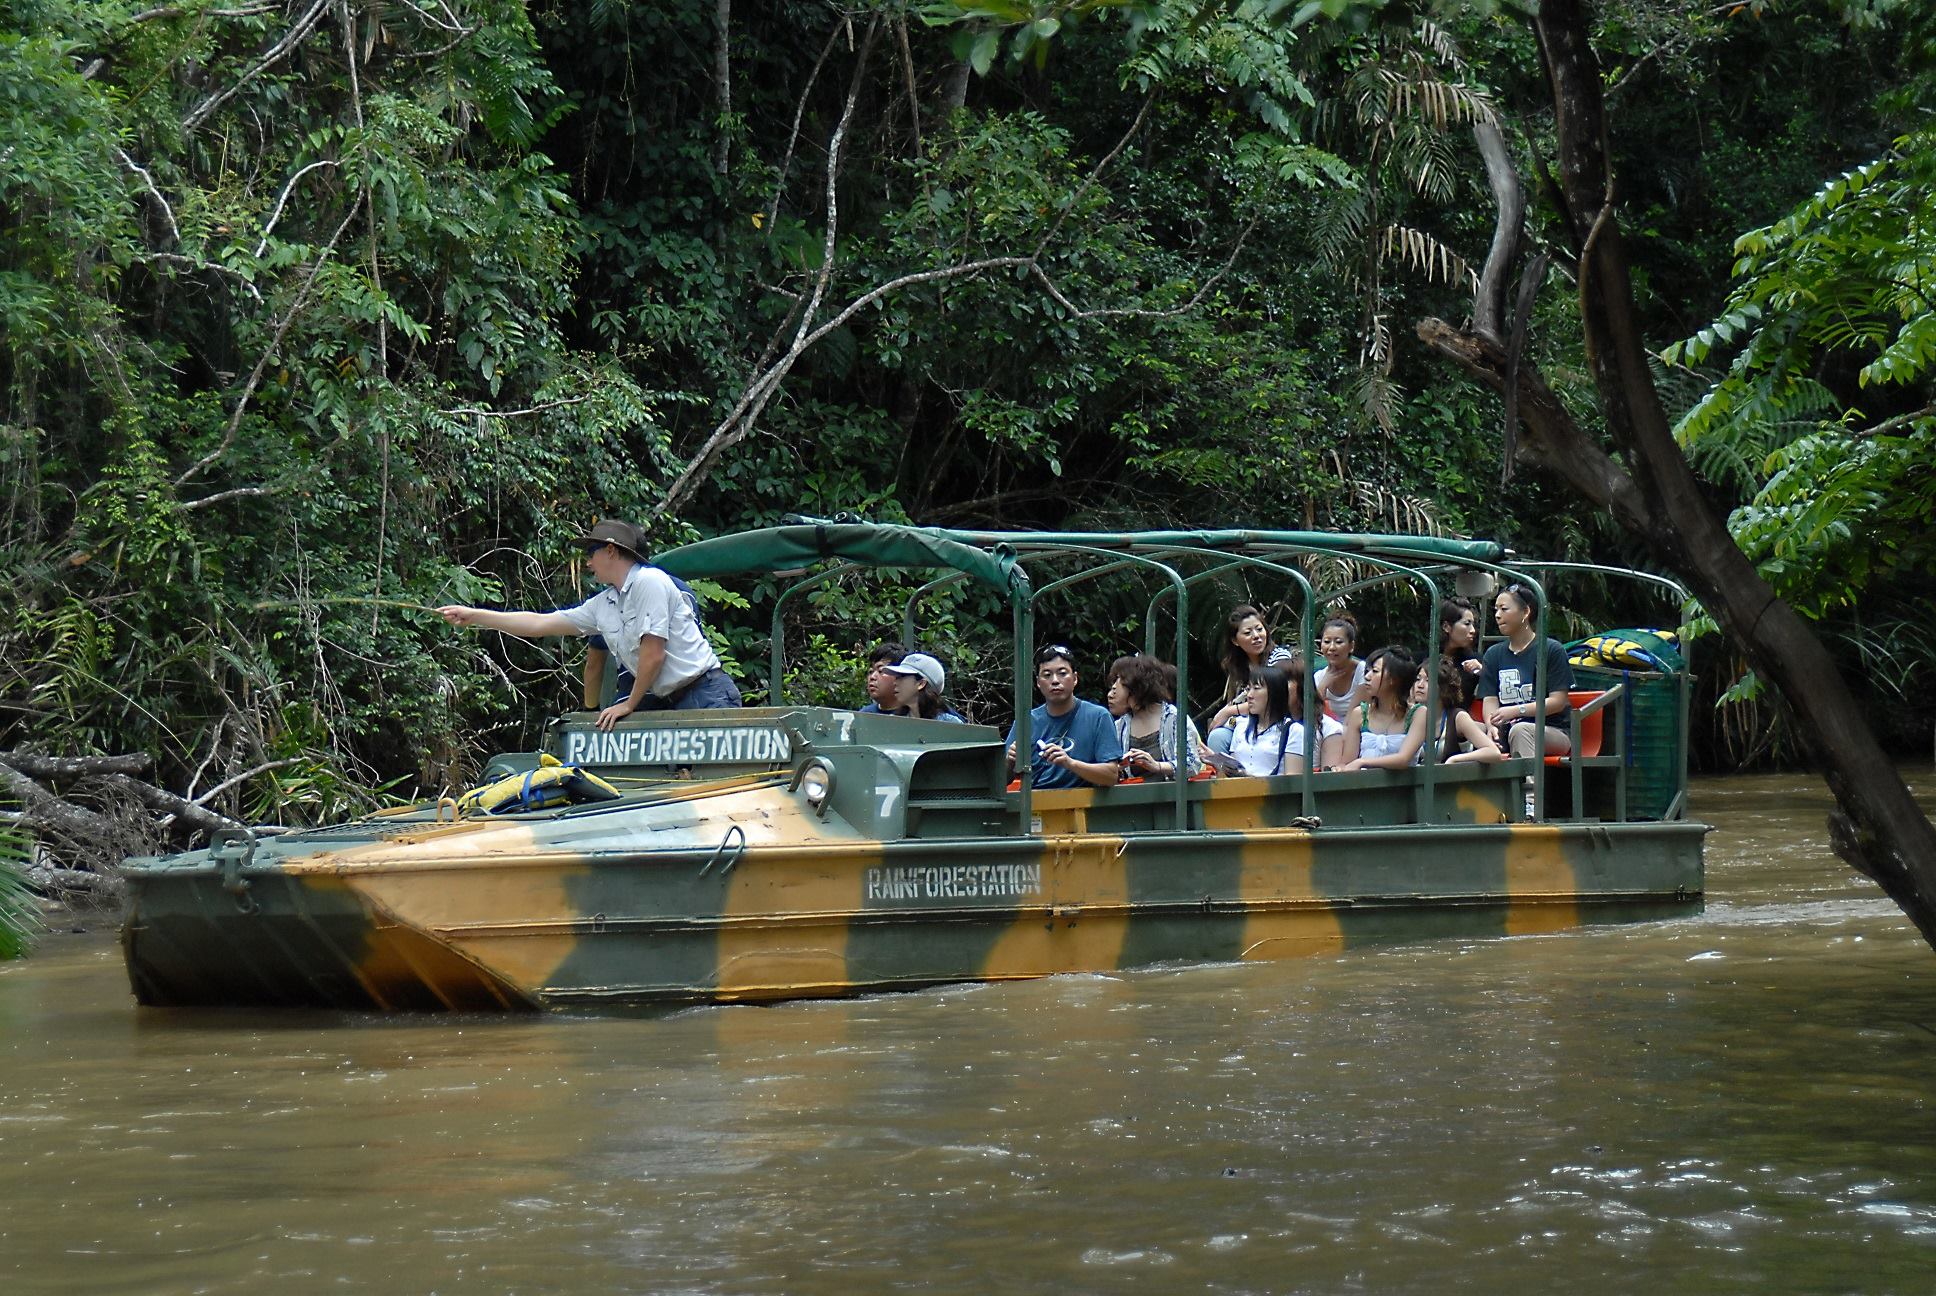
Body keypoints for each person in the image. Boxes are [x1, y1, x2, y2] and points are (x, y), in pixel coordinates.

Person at [437, 519, 741, 731]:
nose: (587, 563)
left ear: (611, 551)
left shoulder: (650, 581)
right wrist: (475, 615)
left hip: (705, 694)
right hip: (667, 700)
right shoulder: (604, 604)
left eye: (590, 553)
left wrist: (628, 705)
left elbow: (653, 654)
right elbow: (539, 624)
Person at [1005, 645, 1122, 789]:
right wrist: (1010, 761)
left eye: (1062, 673)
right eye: (1047, 675)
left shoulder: (1098, 716)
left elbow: (1111, 775)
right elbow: (1000, 780)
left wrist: (1070, 763)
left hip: (1081, 806)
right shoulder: (1026, 722)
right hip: (1035, 806)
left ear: (1075, 678)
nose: (1055, 681)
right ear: (1038, 683)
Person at [1479, 583, 1573, 760]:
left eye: (1504, 609)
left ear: (1526, 612)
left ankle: (1528, 786)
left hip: (1551, 730)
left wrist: (1516, 711)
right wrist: (1490, 725)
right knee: (1473, 729)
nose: (1498, 615)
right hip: (1507, 728)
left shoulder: (1551, 649)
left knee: (1521, 731)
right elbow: (1490, 699)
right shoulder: (1493, 654)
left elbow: (1558, 702)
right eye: (1496, 609)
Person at [1205, 604, 1297, 754]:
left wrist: (1228, 711)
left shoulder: (1279, 658)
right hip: (1248, 723)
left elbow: (1275, 699)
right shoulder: (1238, 667)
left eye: (1259, 629)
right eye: (1248, 633)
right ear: (1235, 641)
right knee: (1218, 737)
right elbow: (1241, 701)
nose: (1256, 636)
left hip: (1275, 722)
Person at [1226, 662, 1343, 777]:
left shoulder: (1299, 730)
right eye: (1248, 689)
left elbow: (1297, 780)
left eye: (1285, 681)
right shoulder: (1242, 726)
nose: (1250, 695)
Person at [1105, 654, 1203, 781]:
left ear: (1136, 686)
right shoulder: (1120, 726)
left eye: (1119, 682)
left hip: (1170, 798)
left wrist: (1157, 766)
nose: (1112, 692)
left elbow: (1192, 764)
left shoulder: (1174, 719)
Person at [1338, 645, 1431, 770]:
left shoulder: (1418, 713)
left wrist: (1363, 762)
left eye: (1375, 671)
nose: (1367, 676)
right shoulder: (1359, 714)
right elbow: (1347, 762)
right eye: (1368, 670)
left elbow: (1403, 759)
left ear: (1394, 679)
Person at [1416, 657, 1501, 765]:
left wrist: (1455, 759)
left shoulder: (1458, 717)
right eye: (1418, 679)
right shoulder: (1412, 715)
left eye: (1428, 681)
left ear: (1444, 688)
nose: (1420, 685)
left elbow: (1493, 752)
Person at [880, 651, 966, 723]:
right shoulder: (894, 722)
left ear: (921, 684)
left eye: (901, 677)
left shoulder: (950, 724)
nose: (895, 682)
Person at [1315, 613, 1368, 720]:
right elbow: (1314, 715)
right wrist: (1322, 686)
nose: (1332, 647)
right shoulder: (1318, 676)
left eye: (1338, 642)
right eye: (1327, 641)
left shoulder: (1363, 671)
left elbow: (1352, 716)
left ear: (1351, 646)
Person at [1437, 596, 1483, 707]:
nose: (1472, 630)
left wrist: (1483, 672)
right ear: (1446, 627)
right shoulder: (1424, 659)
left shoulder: (1476, 662)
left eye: (1473, 625)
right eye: (1467, 624)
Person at [858, 641, 910, 714]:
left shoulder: (918, 716)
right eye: (870, 672)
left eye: (881, 671)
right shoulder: (865, 715)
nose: (872, 677)